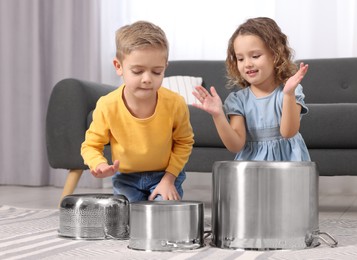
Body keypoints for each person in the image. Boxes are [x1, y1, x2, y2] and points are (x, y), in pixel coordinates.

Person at [81, 21, 194, 202]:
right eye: (137, 71)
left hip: (164, 176)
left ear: (165, 67)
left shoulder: (175, 103)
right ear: (119, 66)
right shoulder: (107, 105)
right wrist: (99, 164)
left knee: (163, 216)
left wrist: (169, 179)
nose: (147, 79)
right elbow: (91, 145)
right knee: (126, 221)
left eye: (157, 72)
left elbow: (184, 142)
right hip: (126, 179)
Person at [192, 17, 310, 161]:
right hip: (251, 170)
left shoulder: (290, 92)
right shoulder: (238, 100)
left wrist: (288, 94)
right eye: (240, 59)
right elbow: (235, 145)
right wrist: (218, 115)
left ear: (275, 55)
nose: (247, 64)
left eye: (255, 56)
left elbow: (288, 132)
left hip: (288, 168)